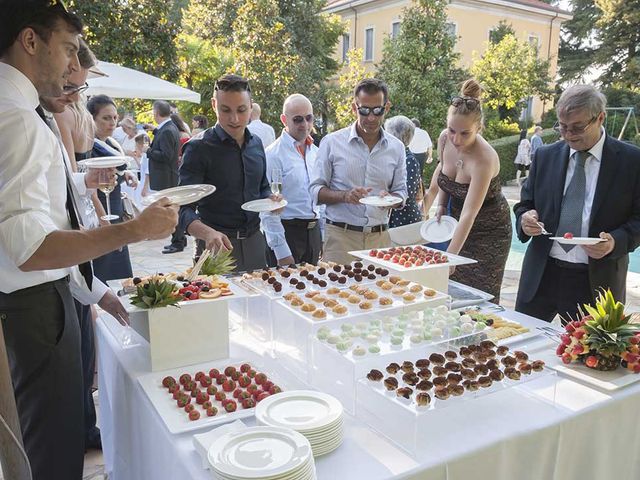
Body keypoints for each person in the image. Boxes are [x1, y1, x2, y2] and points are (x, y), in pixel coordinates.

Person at [0, 2, 178, 478]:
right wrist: (136, 230)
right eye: (67, 50)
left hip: (37, 304)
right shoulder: (17, 118)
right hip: (34, 311)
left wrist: (93, 289)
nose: (69, 70)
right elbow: (32, 249)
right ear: (30, 41)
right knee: (53, 453)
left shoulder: (19, 111)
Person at [514, 85, 640, 321]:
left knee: (588, 358)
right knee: (521, 351)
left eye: (577, 127)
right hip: (542, 275)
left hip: (596, 283)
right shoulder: (545, 156)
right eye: (562, 127)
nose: (568, 134)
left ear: (600, 117)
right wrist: (525, 219)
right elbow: (525, 203)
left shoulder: (632, 162)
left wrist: (615, 242)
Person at [40, 36, 105, 452]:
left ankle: (85, 428)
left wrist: (86, 180)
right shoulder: (28, 122)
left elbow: (62, 187)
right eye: (69, 86)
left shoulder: (49, 117)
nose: (72, 96)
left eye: (78, 88)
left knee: (83, 362)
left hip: (74, 271)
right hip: (46, 281)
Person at [179, 74, 278, 271]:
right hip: (215, 248)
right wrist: (207, 233)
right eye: (226, 110)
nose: (234, 119)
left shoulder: (257, 144)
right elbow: (182, 210)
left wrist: (271, 199)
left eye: (241, 110)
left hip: (255, 244)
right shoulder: (198, 148)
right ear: (214, 104)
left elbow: (263, 188)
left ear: (251, 106)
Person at [309, 78, 407, 264]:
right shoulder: (332, 142)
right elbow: (315, 191)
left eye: (377, 110)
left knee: (381, 292)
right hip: (340, 238)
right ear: (354, 108)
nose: (371, 117)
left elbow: (402, 192)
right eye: (364, 110)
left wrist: (391, 200)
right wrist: (345, 196)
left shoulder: (397, 147)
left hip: (380, 240)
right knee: (334, 293)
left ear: (386, 108)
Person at [432, 79, 512, 302]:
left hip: (490, 233)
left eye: (465, 133)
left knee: (478, 298)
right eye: (451, 130)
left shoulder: (484, 159)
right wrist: (440, 205)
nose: (456, 139)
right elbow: (444, 177)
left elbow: (469, 213)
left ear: (479, 128)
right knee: (449, 294)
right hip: (458, 225)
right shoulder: (444, 139)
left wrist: (450, 257)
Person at [261, 94, 323, 266]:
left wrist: (322, 237)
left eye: (309, 118)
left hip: (313, 234)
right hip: (287, 233)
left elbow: (320, 199)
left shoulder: (317, 153)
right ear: (284, 120)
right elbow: (268, 208)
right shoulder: (273, 155)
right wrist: (281, 250)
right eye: (297, 119)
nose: (305, 124)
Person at [87, 94, 137, 282]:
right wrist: (104, 223)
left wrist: (127, 174)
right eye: (106, 118)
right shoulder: (88, 145)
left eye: (115, 118)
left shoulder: (112, 143)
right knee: (103, 270)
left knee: (121, 273)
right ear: (92, 118)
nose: (112, 123)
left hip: (114, 208)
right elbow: (89, 189)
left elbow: (118, 169)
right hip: (99, 212)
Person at [146, 100, 185, 254]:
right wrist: (155, 131)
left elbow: (167, 156)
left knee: (172, 210)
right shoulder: (168, 128)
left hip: (166, 178)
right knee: (172, 209)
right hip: (167, 177)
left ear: (156, 113)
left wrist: (147, 151)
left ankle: (178, 241)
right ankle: (180, 239)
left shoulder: (168, 130)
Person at [385, 116, 423, 228]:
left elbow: (407, 193)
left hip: (404, 220)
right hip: (396, 218)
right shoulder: (396, 157)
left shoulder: (409, 160)